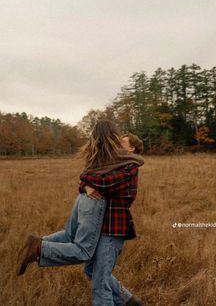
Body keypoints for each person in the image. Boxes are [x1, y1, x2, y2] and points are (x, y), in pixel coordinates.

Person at [17, 120, 144, 305]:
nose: (117, 143)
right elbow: (90, 179)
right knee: (91, 269)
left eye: (121, 142)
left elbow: (104, 183)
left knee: (99, 281)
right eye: (116, 140)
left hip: (113, 230)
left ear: (131, 149)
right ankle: (128, 300)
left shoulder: (130, 167)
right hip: (101, 226)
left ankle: (40, 247)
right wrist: (85, 185)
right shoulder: (112, 163)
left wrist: (86, 181)